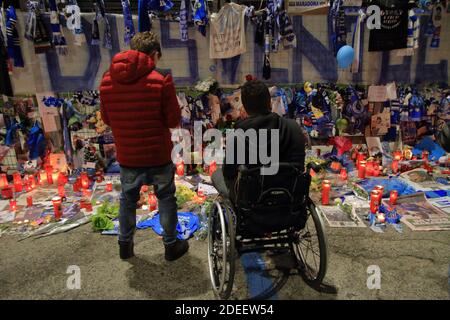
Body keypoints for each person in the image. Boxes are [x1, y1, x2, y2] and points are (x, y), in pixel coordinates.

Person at [99, 32, 188, 261]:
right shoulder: (161, 79)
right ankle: (170, 246)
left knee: (127, 200)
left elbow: (106, 119)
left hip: (128, 156)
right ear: (154, 54)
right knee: (166, 198)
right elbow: (172, 120)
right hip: (157, 153)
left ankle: (125, 246)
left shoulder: (107, 79)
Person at [212, 80, 306, 202]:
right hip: (289, 199)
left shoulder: (237, 136)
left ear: (244, 108)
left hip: (252, 203)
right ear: (270, 103)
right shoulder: (293, 128)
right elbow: (300, 166)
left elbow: (228, 174)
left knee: (216, 175)